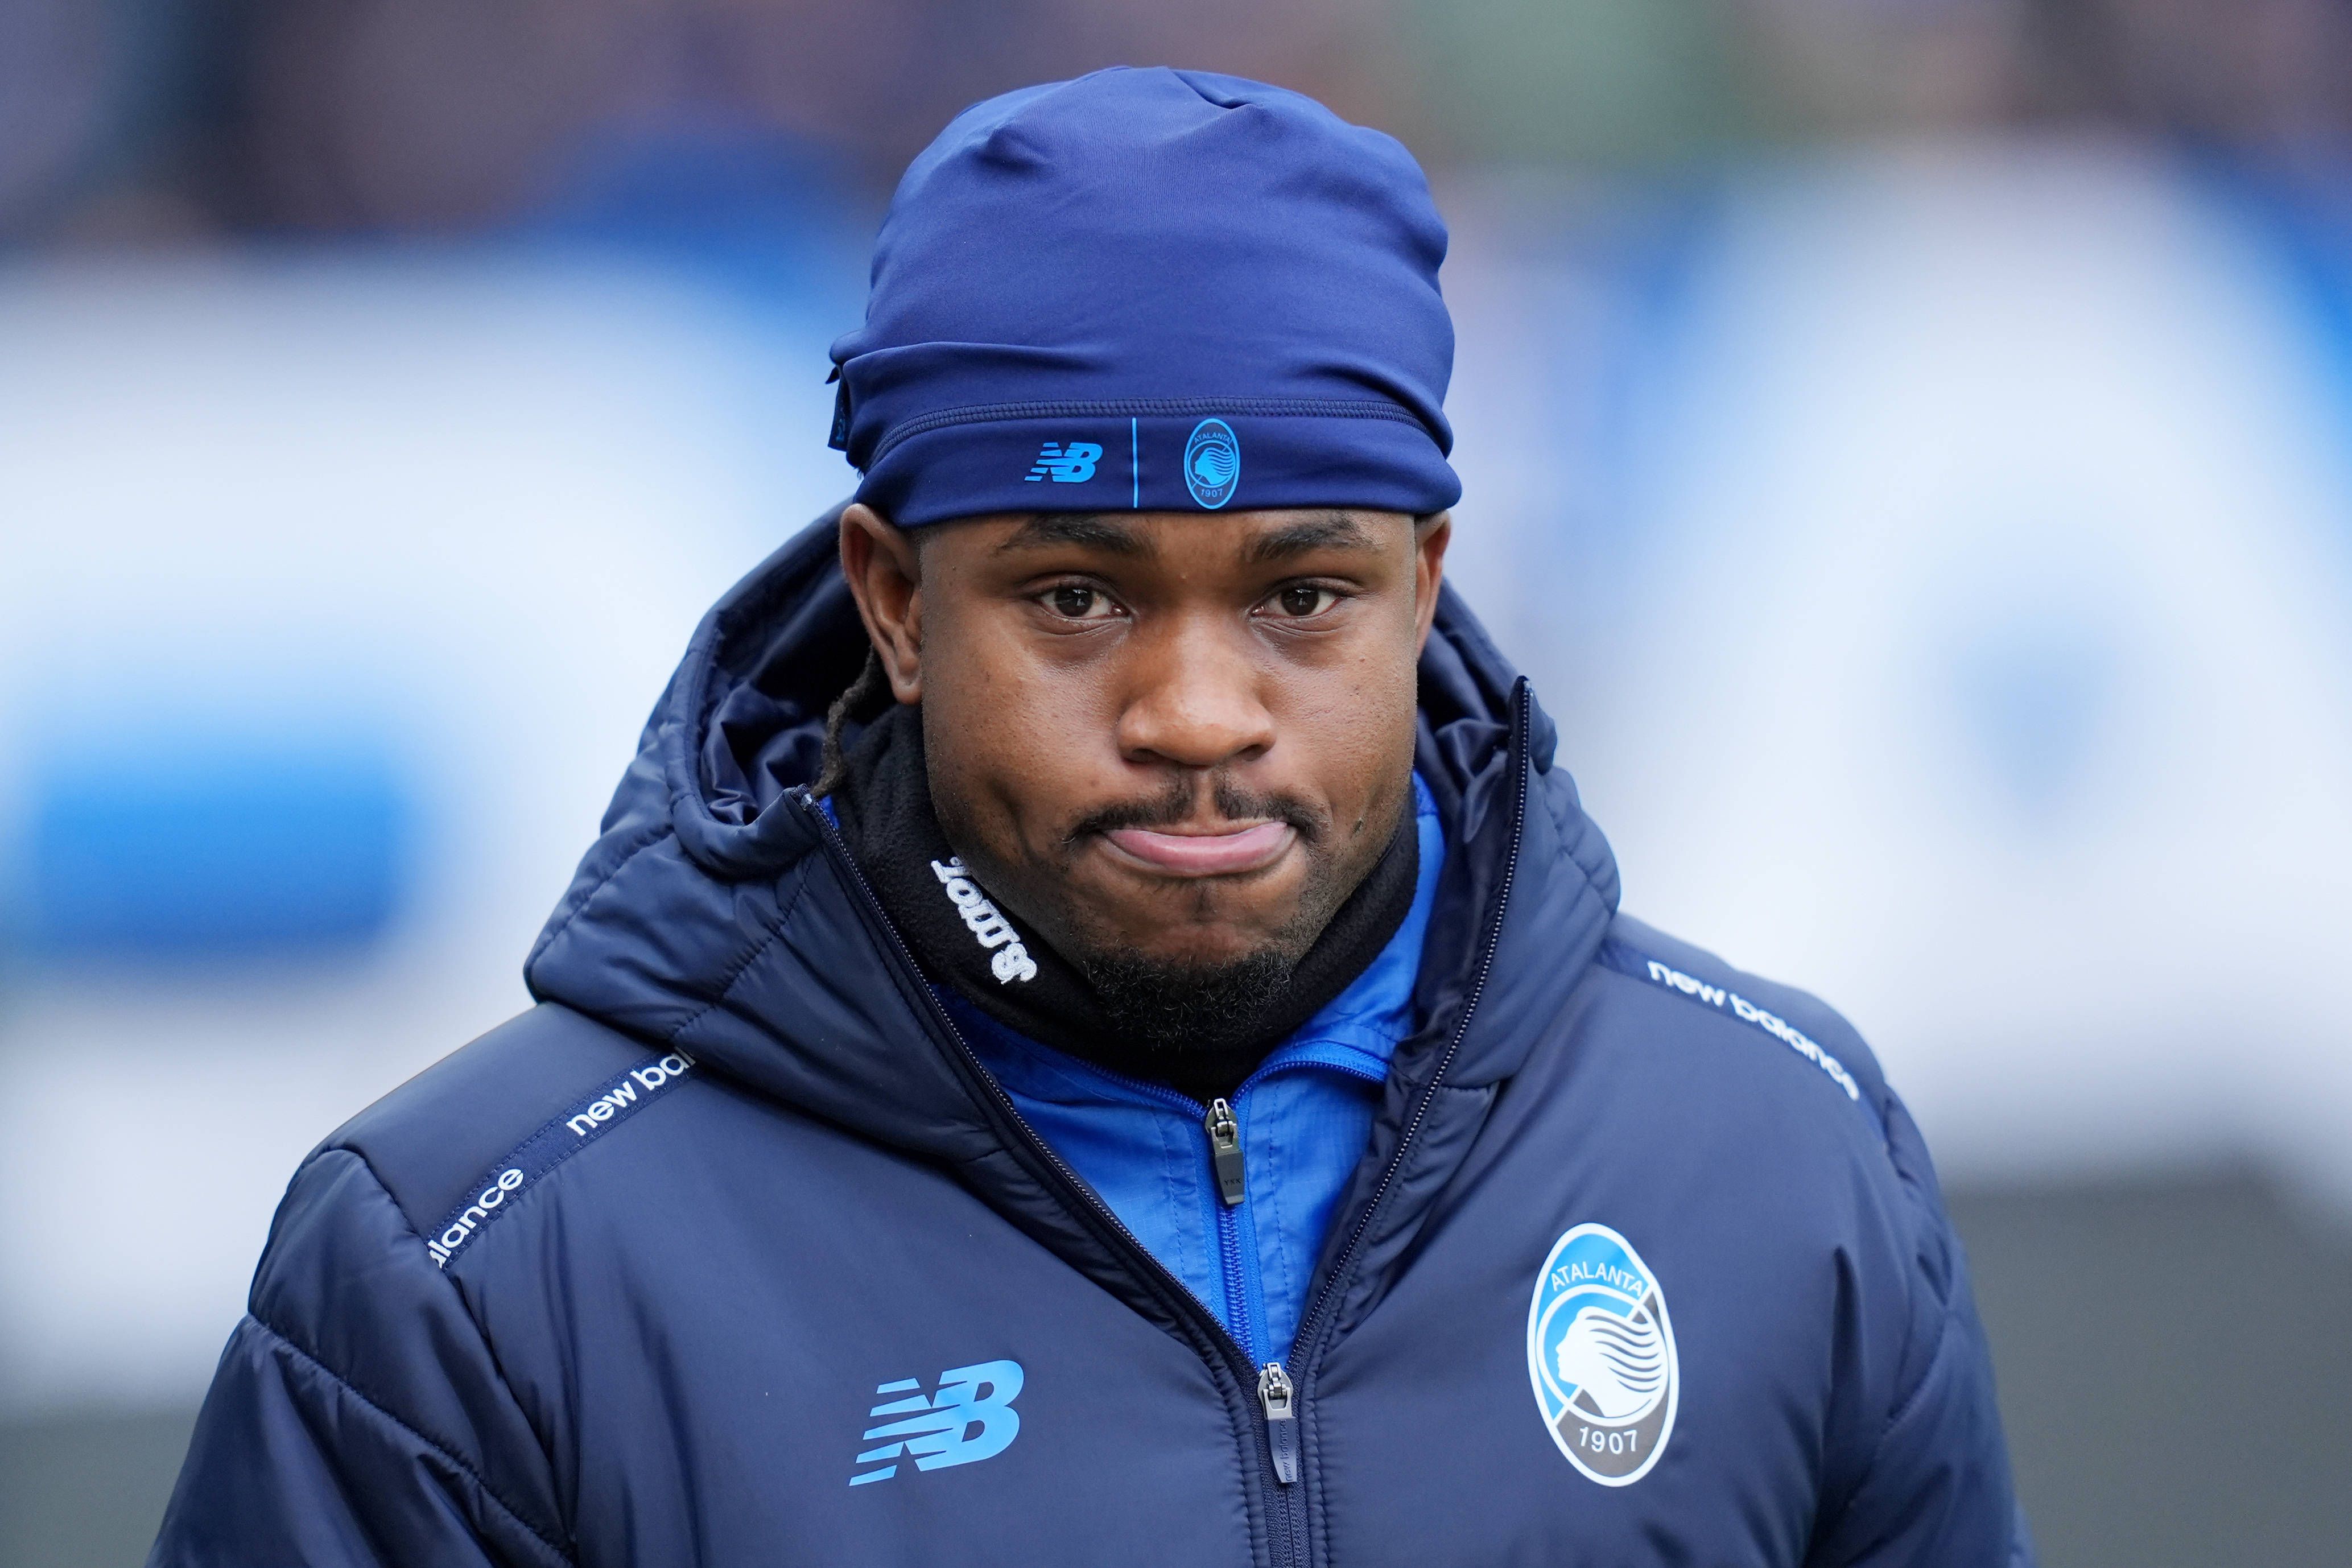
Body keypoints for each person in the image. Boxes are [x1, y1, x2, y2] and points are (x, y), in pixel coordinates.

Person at [150, 67, 2032, 1566]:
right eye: (1077, 596)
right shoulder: (482, 1273)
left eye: (1302, 594)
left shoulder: (1781, 1158)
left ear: (1427, 578)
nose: (1196, 714)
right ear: (895, 602)